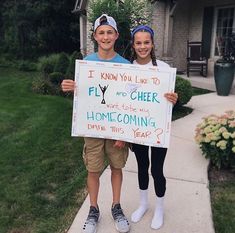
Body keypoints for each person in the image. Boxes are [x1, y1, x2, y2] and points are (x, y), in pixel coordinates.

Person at [61, 14, 130, 233]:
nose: (106, 36)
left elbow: (129, 102)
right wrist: (70, 88)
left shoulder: (126, 65)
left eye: (110, 32)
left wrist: (123, 132)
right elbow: (84, 97)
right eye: (101, 32)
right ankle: (93, 209)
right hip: (92, 128)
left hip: (116, 128)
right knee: (93, 169)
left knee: (117, 167)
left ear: (116, 35)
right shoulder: (87, 63)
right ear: (95, 36)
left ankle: (116, 206)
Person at [129, 25, 178, 230]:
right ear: (133, 45)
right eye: (138, 43)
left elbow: (169, 100)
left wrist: (174, 99)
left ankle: (159, 207)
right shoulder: (127, 68)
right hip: (138, 129)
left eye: (146, 42)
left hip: (157, 129)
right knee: (142, 167)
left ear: (152, 44)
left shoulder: (164, 69)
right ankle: (143, 204)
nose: (142, 46)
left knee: (157, 169)